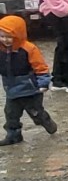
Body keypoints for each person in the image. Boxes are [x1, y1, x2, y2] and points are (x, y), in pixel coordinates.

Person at [0, 16, 56, 146]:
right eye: (2, 36)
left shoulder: (28, 49)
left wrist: (43, 83)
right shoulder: (2, 50)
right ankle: (13, 135)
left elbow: (40, 67)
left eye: (9, 36)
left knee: (36, 113)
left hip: (30, 90)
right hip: (11, 89)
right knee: (10, 114)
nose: (5, 40)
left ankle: (45, 121)